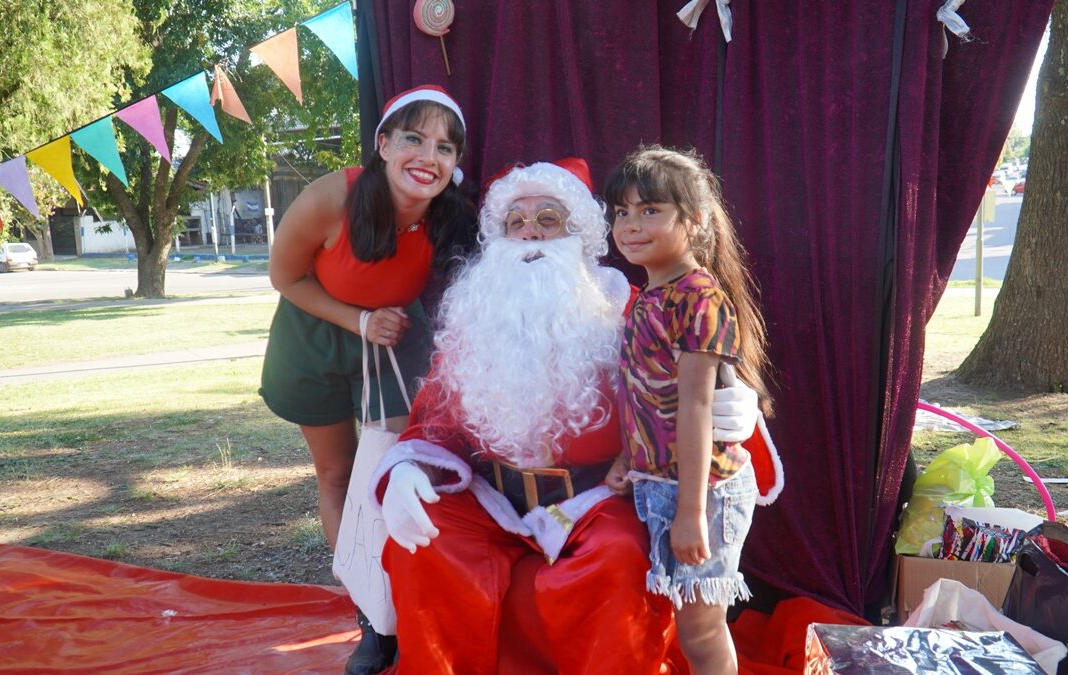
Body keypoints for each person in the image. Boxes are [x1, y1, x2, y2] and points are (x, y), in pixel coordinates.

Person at [369, 158, 777, 673]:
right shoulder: (476, 317)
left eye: (548, 219)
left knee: (619, 557)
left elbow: (696, 383)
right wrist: (406, 468)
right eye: (514, 222)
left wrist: (737, 408)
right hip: (490, 497)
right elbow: (437, 417)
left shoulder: (632, 306)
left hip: (597, 497)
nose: (529, 234)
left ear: (579, 234)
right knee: (425, 546)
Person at [258, 85, 475, 673]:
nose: (428, 156)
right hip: (314, 336)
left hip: (394, 343)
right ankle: (372, 622)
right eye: (413, 138)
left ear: (455, 165)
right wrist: (358, 319)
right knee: (337, 474)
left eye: (445, 147)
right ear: (383, 144)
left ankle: (403, 603)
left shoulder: (451, 219)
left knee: (391, 474)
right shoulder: (333, 195)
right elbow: (283, 276)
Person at [603, 145, 776, 674]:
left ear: (694, 219)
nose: (631, 225)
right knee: (684, 623)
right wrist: (629, 460)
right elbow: (645, 393)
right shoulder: (650, 297)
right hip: (663, 484)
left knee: (701, 630)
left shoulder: (697, 298)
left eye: (650, 210)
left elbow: (697, 407)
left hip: (705, 493)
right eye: (621, 212)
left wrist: (691, 512)